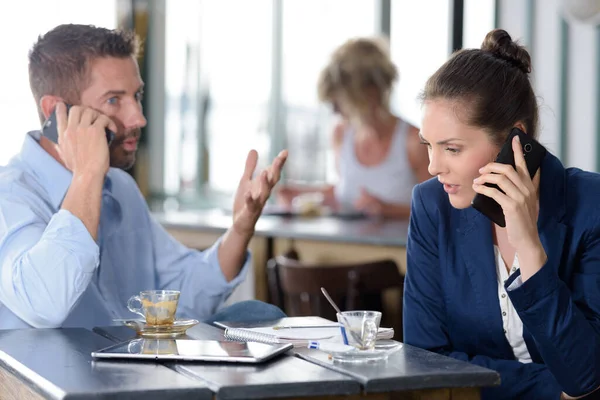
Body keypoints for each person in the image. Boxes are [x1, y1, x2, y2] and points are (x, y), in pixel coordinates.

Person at [0, 24, 288, 330]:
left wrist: (241, 228)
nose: (139, 117)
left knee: (256, 314)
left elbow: (182, 294)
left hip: (133, 370)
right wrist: (86, 176)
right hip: (58, 377)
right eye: (114, 100)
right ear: (56, 112)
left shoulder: (120, 187)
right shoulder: (11, 196)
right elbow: (43, 303)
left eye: (137, 95)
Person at [403, 28, 600, 400]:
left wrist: (529, 248)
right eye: (429, 146)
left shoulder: (591, 206)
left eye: (453, 149)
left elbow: (587, 374)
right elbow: (425, 361)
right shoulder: (433, 207)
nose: (432, 166)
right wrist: (551, 390)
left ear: (515, 141)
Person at [277, 37, 429, 219]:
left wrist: (389, 210)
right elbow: (346, 191)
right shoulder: (341, 134)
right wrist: (299, 194)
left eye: (340, 100)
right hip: (347, 247)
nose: (335, 109)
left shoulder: (414, 142)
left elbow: (439, 212)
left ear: (369, 91)